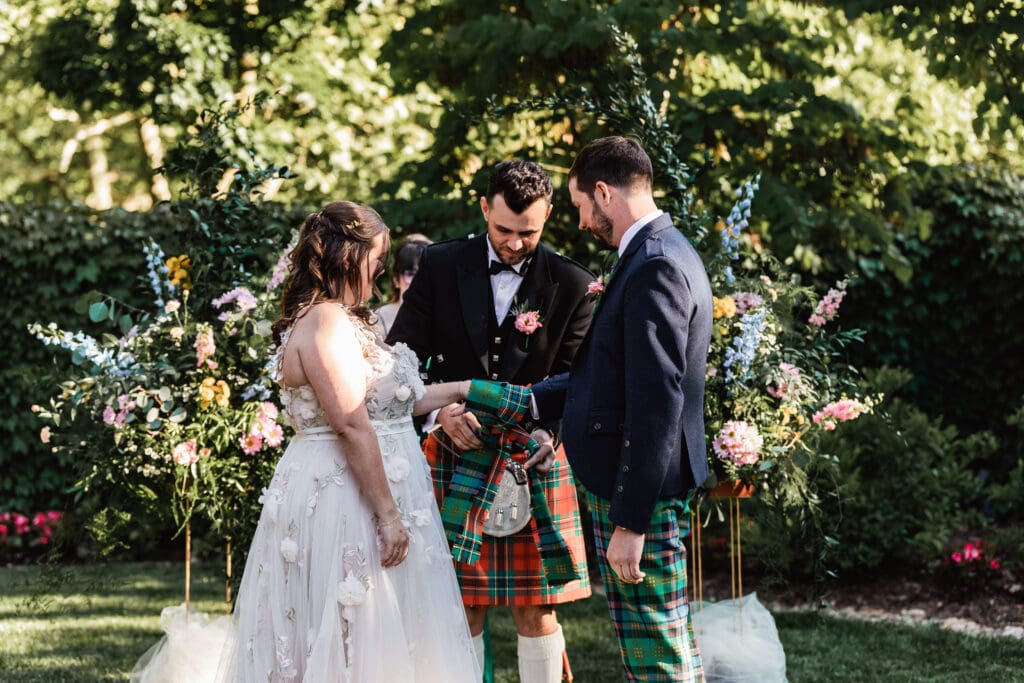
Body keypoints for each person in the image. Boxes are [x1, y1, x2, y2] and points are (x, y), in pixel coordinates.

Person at [215, 201, 481, 682]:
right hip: (344, 497)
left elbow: (397, 401)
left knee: (384, 631)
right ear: (347, 255)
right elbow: (351, 422)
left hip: (372, 486)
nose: (381, 269)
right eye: (375, 257)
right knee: (347, 632)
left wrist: (467, 389)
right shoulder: (325, 322)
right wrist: (387, 515)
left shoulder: (356, 320)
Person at [387, 160, 594, 682]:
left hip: (534, 458)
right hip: (455, 451)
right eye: (504, 229)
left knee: (537, 607)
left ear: (548, 217)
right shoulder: (439, 264)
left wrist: (550, 434)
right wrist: (438, 411)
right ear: (484, 208)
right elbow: (400, 358)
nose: (516, 243)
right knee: (462, 603)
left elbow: (579, 379)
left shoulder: (573, 283)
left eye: (530, 232)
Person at [528, 137, 713, 682]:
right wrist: (535, 400)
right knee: (659, 643)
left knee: (657, 651)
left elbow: (657, 401)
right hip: (646, 492)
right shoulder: (657, 251)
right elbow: (609, 377)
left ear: (603, 193)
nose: (583, 222)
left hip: (644, 500)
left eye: (582, 206)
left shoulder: (654, 264)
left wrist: (629, 521)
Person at [375, 233, 432, 336]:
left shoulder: (445, 317)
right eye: (410, 274)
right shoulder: (377, 320)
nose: (418, 280)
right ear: (396, 279)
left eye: (424, 273)